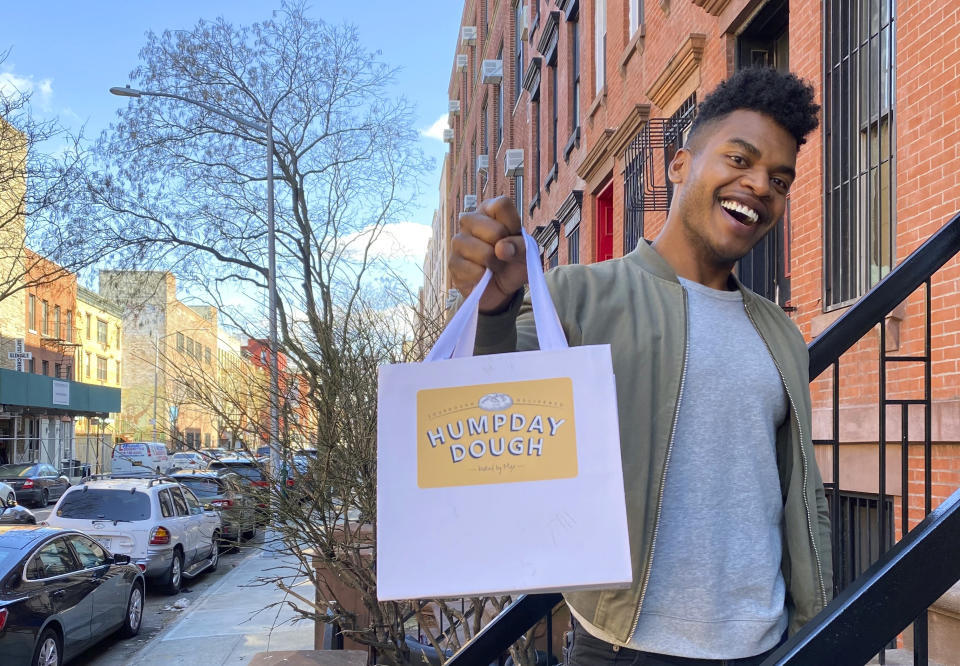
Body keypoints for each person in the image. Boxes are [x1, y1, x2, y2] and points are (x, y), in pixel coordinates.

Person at [449, 68, 833, 666]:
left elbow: (798, 493)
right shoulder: (578, 296)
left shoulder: (779, 330)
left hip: (767, 644)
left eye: (779, 180)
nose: (759, 185)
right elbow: (483, 406)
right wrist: (491, 308)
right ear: (679, 165)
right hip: (624, 648)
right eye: (740, 159)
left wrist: (814, 622)